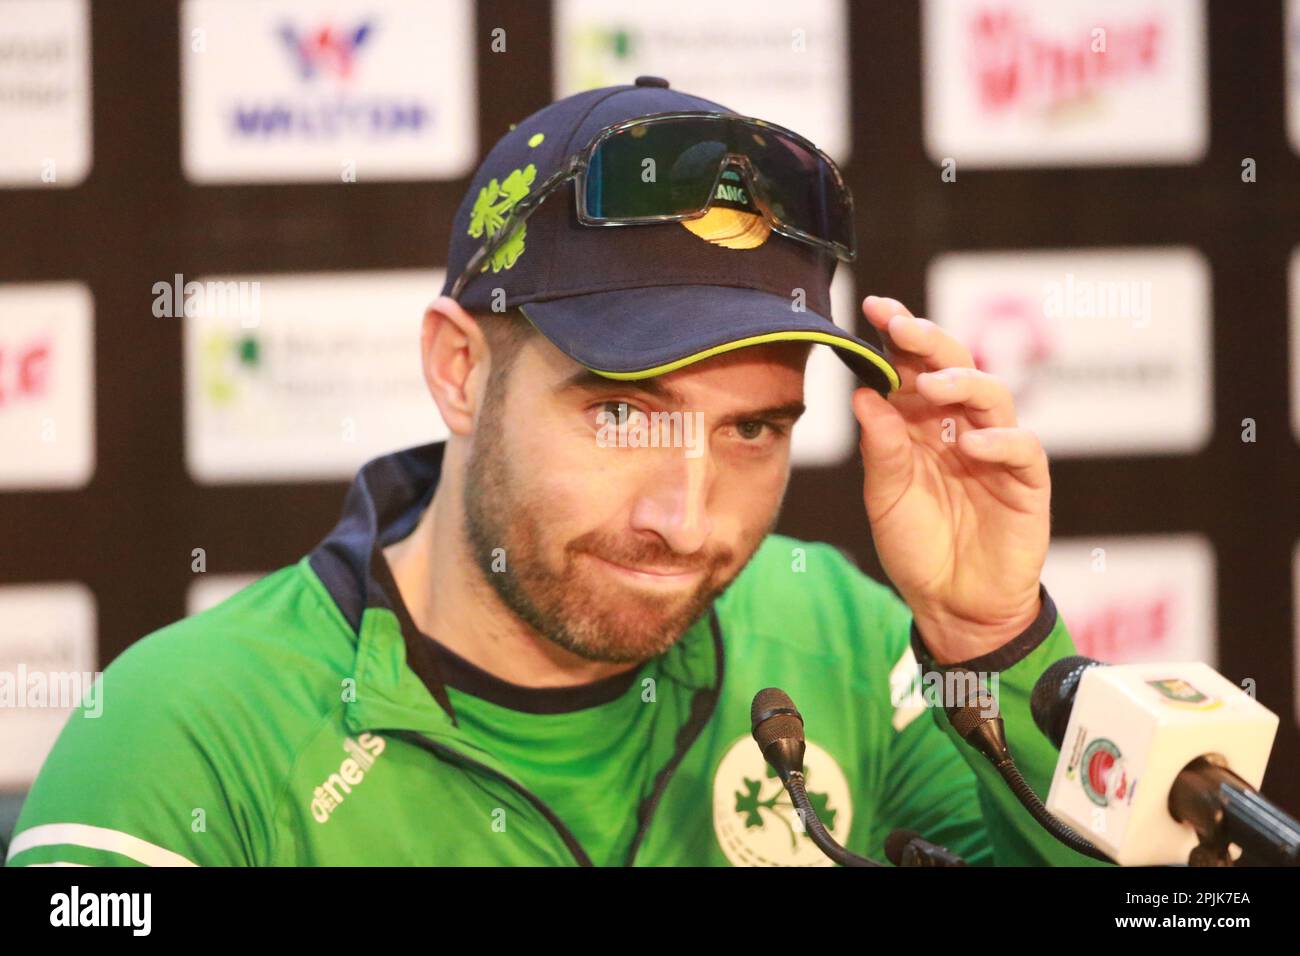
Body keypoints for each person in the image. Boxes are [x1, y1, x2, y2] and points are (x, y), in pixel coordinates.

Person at [7, 77, 1105, 867]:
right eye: (623, 411)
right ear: (458, 370)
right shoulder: (182, 736)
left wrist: (989, 640)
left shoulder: (845, 638)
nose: (687, 519)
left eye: (753, 432)